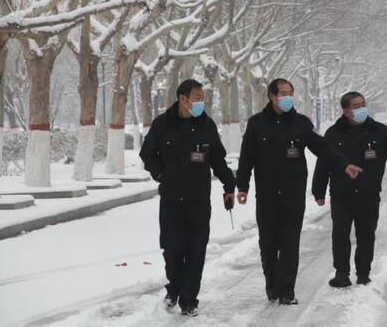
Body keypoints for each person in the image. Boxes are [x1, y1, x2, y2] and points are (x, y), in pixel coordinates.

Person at [236, 78, 363, 305]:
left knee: (289, 244)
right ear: (272, 96)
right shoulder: (256, 124)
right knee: (268, 244)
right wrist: (242, 186)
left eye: (290, 92)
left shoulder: (301, 123)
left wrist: (344, 164)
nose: (288, 97)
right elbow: (247, 158)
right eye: (283, 93)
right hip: (266, 196)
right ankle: (272, 283)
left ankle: (287, 291)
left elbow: (323, 148)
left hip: (293, 196)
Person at [139, 79, 236, 317]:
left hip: (199, 201)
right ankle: (174, 287)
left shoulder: (206, 125)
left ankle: (189, 299)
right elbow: (147, 153)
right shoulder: (162, 124)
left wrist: (229, 186)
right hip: (171, 201)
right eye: (198, 97)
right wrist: (160, 173)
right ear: (183, 99)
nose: (201, 102)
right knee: (172, 250)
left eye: (203, 97)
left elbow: (218, 160)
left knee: (196, 250)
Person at [311, 91, 387, 288]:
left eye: (363, 104)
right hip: (341, 194)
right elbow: (324, 163)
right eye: (356, 106)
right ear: (345, 110)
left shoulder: (378, 131)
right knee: (340, 235)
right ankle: (342, 273)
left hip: (368, 194)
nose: (361, 109)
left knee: (366, 235)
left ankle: (363, 274)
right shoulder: (333, 134)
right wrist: (318, 191)